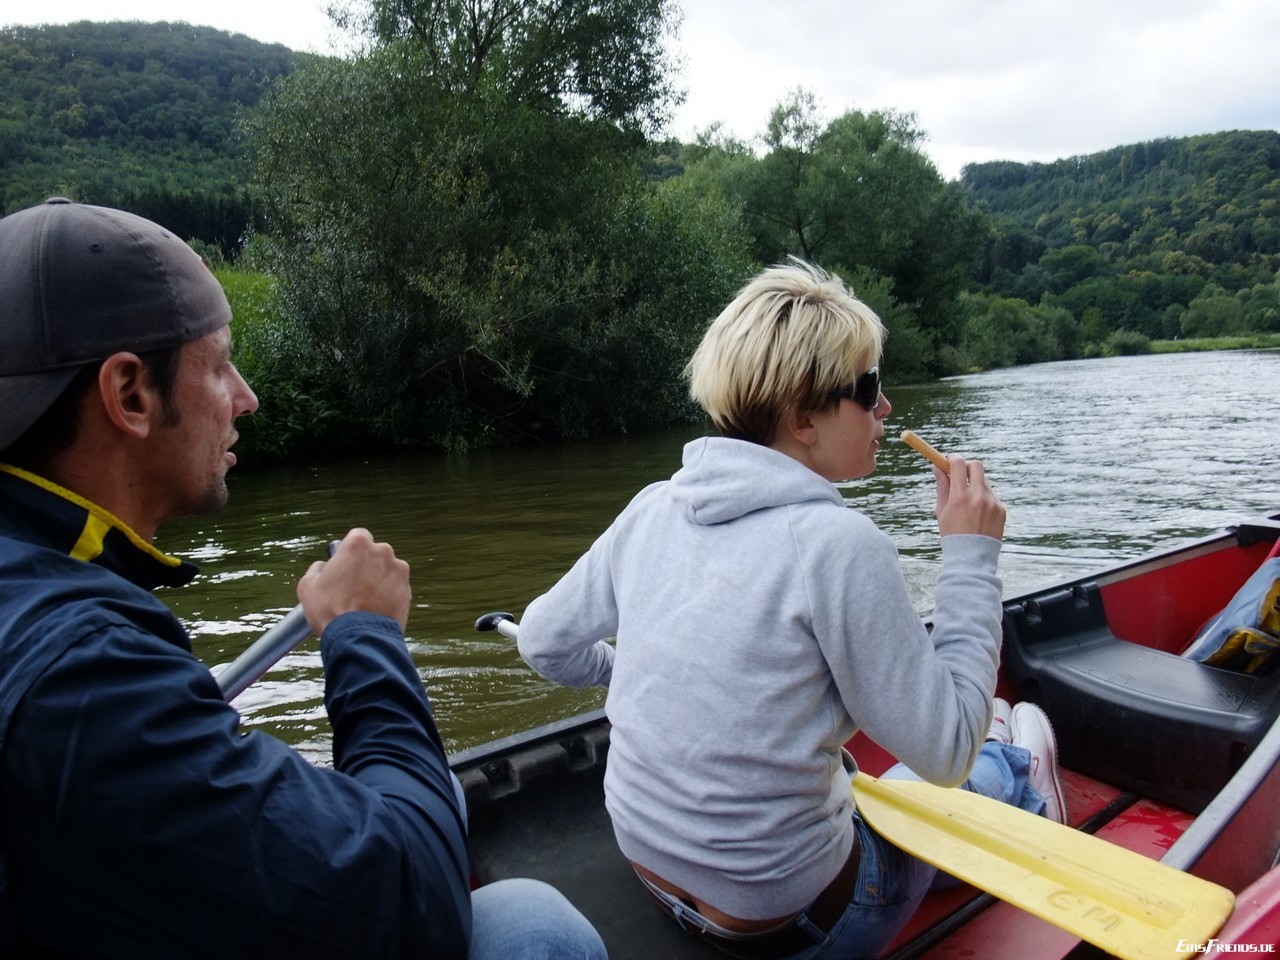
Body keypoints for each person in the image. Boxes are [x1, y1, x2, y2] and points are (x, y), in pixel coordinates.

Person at [0, 198, 606, 960]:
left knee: (435, 796)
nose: (246, 398)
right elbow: (408, 896)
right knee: (530, 924)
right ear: (130, 394)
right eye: (219, 366)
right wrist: (364, 633)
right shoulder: (80, 669)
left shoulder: (46, 585)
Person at [517, 259, 1066, 959]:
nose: (886, 408)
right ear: (802, 418)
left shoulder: (652, 508)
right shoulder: (839, 546)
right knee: (960, 761)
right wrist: (970, 554)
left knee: (860, 776)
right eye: (868, 388)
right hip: (791, 925)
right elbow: (946, 755)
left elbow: (542, 641)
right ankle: (1021, 770)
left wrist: (623, 669)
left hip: (649, 867)